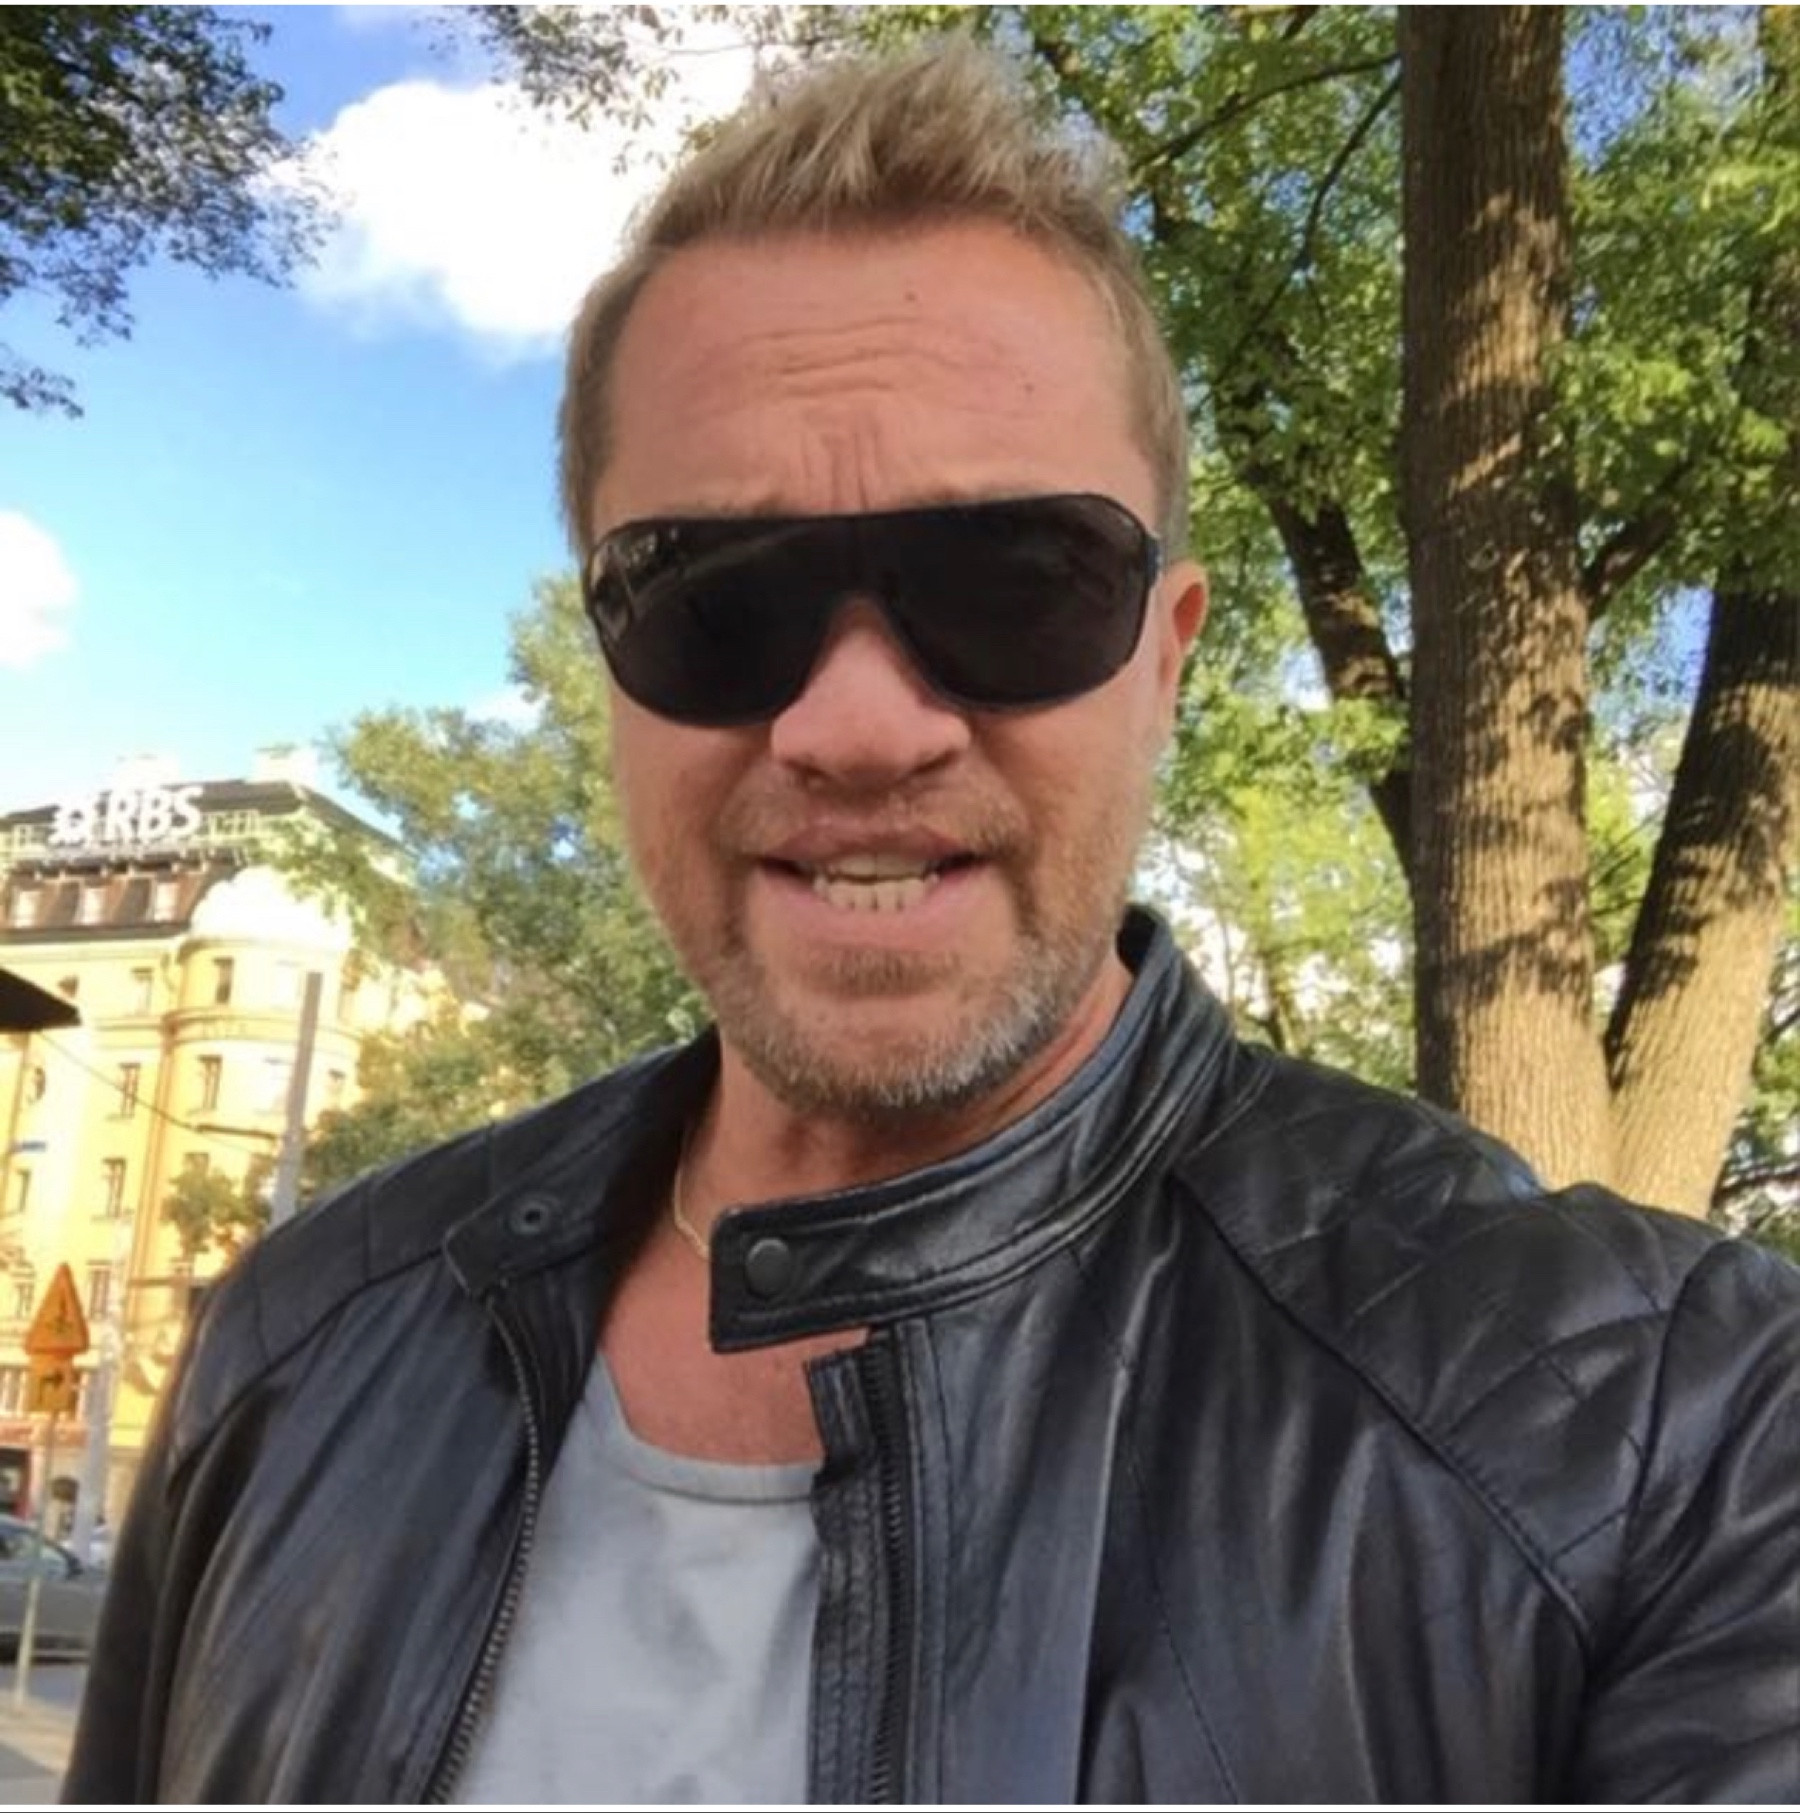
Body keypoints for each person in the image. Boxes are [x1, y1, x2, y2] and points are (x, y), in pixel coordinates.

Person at [66, 38, 1797, 1806]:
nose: (857, 724)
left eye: (1016, 581)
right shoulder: (296, 1346)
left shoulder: (1670, 1443)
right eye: (713, 596)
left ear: (1168, 662)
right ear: (608, 670)